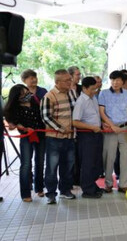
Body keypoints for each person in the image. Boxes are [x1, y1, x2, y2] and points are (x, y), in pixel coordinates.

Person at [4, 84, 46, 202]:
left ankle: (39, 188)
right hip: (26, 137)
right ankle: (25, 193)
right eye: (23, 94)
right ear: (17, 97)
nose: (26, 95)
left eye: (26, 92)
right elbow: (13, 123)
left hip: (41, 135)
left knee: (40, 161)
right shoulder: (14, 108)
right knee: (26, 164)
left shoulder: (35, 102)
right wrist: (21, 127)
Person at [40, 69, 76, 204]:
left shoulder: (71, 93)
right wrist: (61, 129)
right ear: (58, 82)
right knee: (51, 167)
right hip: (54, 138)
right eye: (67, 80)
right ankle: (50, 194)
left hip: (69, 138)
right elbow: (46, 118)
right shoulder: (49, 96)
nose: (70, 82)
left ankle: (65, 190)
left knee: (68, 166)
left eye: (70, 79)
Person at [99, 70, 127, 193]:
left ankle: (124, 184)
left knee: (126, 156)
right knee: (109, 157)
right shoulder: (103, 94)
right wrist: (112, 126)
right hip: (110, 129)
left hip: (124, 129)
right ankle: (108, 184)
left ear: (122, 81)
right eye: (113, 80)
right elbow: (102, 112)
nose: (115, 82)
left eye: (118, 80)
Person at [72, 77, 104, 199]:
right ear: (84, 88)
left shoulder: (93, 98)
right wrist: (91, 127)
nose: (94, 91)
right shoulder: (81, 101)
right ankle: (87, 190)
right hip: (86, 135)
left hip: (96, 133)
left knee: (96, 162)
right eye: (91, 89)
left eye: (95, 88)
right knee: (87, 163)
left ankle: (92, 185)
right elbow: (75, 122)